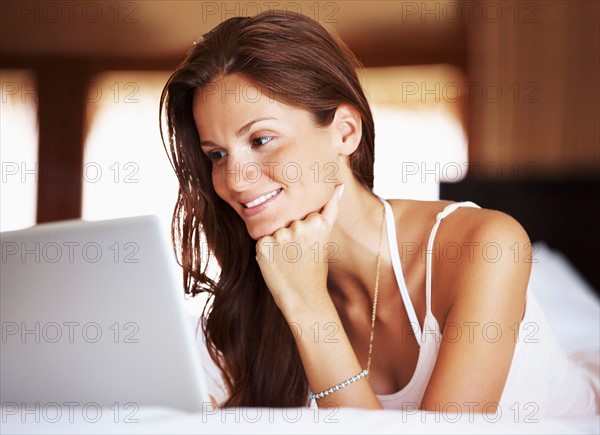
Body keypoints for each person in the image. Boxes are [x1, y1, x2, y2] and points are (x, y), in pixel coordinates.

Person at [160, 10, 598, 415]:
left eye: (260, 140)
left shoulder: (485, 245)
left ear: (345, 132)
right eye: (216, 154)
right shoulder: (266, 283)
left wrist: (309, 308)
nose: (234, 179)